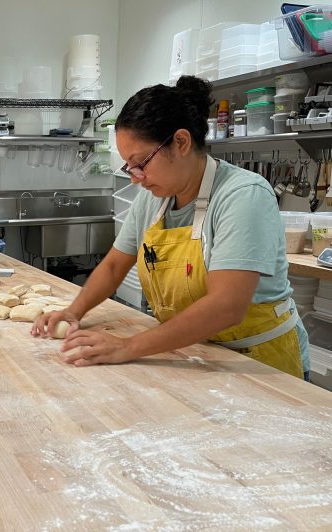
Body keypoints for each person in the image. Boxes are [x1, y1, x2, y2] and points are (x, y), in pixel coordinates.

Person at [32, 76, 309, 380]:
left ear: (180, 142)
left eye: (141, 163)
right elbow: (113, 265)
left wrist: (126, 347)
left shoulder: (242, 195)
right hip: (190, 352)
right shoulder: (153, 198)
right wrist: (75, 311)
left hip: (257, 365)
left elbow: (226, 306)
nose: (136, 177)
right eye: (129, 166)